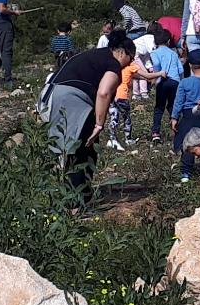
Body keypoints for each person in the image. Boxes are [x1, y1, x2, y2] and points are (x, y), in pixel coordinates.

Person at [43, 29, 135, 201]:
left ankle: (73, 194)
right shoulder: (113, 64)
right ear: (122, 52)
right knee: (81, 149)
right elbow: (104, 93)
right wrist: (99, 125)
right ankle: (76, 201)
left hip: (52, 95)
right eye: (131, 58)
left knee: (75, 147)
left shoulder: (95, 55)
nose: (130, 63)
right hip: (72, 100)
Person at [173, 55, 200, 178]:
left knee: (189, 141)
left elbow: (179, 101)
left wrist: (174, 117)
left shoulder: (185, 82)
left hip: (189, 114)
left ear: (190, 65)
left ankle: (186, 172)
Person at [144, 28, 184, 142]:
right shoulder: (173, 53)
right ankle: (176, 128)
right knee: (173, 106)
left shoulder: (154, 53)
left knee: (159, 107)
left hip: (163, 81)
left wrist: (156, 76)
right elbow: (181, 70)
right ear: (168, 41)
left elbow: (156, 64)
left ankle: (156, 132)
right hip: (175, 81)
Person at [108, 55, 142, 151]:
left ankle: (112, 139)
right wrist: (156, 75)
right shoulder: (131, 66)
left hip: (113, 95)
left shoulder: (116, 67)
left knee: (114, 118)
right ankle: (128, 139)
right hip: (122, 96)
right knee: (127, 118)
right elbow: (144, 75)